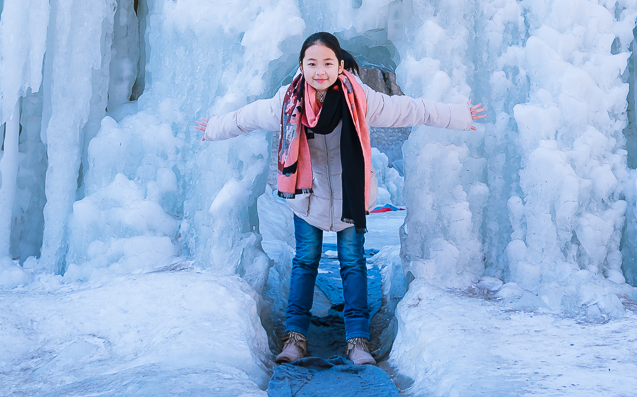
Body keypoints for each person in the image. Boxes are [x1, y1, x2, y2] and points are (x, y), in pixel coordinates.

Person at [197, 31, 484, 368]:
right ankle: (295, 337)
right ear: (302, 66)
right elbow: (248, 116)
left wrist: (458, 115)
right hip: (306, 198)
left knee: (353, 263)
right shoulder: (288, 101)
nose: (320, 70)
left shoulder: (359, 99)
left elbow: (408, 109)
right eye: (312, 63)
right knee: (305, 263)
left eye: (328, 63)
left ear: (339, 65)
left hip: (350, 197)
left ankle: (357, 339)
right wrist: (215, 127)